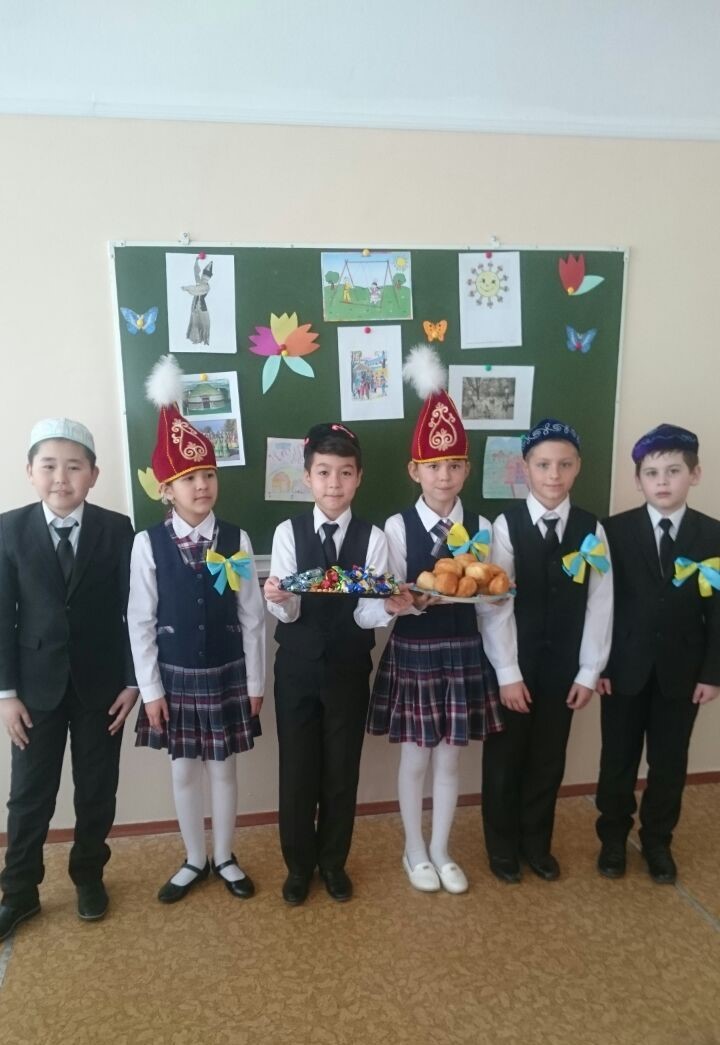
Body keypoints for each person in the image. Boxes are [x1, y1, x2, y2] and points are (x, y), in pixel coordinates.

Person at [128, 356, 265, 903]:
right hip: (176, 678)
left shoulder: (237, 538)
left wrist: (256, 683)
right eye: (188, 478)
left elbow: (253, 616)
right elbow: (140, 621)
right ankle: (193, 858)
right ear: (167, 488)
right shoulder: (146, 545)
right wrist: (151, 690)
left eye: (208, 474)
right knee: (184, 771)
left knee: (223, 770)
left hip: (228, 673)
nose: (202, 485)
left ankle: (225, 855)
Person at [367, 345, 503, 894]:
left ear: (467, 468)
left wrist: (492, 598)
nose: (444, 476)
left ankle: (443, 848)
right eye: (433, 466)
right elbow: (388, 597)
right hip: (417, 652)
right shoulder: (396, 528)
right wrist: (406, 601)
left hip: (464, 651)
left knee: (451, 760)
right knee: (416, 758)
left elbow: (492, 596)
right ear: (414, 470)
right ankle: (414, 848)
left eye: (453, 465)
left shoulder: (485, 528)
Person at [0, 419, 138, 941]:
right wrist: (6, 693)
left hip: (102, 687)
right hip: (33, 691)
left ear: (94, 474)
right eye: (49, 466)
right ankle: (19, 892)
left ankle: (89, 876)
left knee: (97, 788)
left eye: (74, 466)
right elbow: (3, 616)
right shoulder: (9, 529)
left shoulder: (117, 529)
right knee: (29, 794)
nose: (61, 477)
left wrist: (132, 682)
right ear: (30, 472)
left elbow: (134, 611)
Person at [264, 422, 412, 905]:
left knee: (342, 771)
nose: (334, 483)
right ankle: (298, 866)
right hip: (296, 669)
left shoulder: (373, 538)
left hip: (348, 669)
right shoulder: (287, 533)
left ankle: (333, 863)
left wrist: (388, 608)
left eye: (345, 473)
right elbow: (288, 610)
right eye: (324, 472)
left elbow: (365, 611)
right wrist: (281, 599)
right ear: (307, 477)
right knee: (297, 771)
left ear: (359, 477)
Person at [481, 418, 613, 883]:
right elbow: (495, 604)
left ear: (578, 467)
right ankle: (501, 848)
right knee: (505, 759)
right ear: (525, 468)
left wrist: (588, 670)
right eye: (543, 465)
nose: (553, 475)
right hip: (515, 665)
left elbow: (601, 602)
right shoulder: (506, 526)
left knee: (548, 759)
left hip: (563, 669)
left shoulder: (591, 529)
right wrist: (507, 672)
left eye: (564, 464)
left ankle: (536, 843)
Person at [595, 423, 720, 884]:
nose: (662, 481)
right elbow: (602, 605)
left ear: (695, 474)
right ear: (638, 480)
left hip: (683, 673)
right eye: (651, 473)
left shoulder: (712, 535)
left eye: (673, 471)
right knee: (617, 759)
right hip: (623, 669)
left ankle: (657, 841)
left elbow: (718, 612)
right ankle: (612, 839)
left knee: (669, 762)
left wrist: (712, 672)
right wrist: (600, 665)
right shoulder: (613, 531)